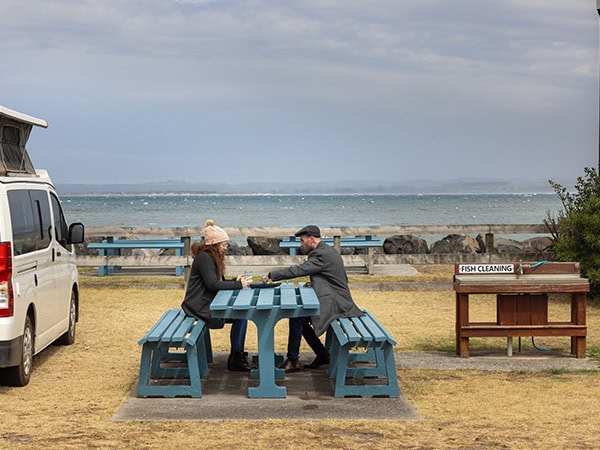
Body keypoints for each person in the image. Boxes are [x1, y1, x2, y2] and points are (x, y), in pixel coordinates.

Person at [265, 225, 364, 372]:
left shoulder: (320, 254)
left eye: (302, 241)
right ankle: (321, 354)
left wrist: (272, 275)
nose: (301, 244)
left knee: (298, 318)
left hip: (338, 304)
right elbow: (330, 276)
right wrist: (316, 283)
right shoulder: (327, 250)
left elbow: (299, 270)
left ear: (312, 239)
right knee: (299, 318)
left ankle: (293, 360)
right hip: (338, 298)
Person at [181, 219, 252, 372]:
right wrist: (238, 285)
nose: (226, 248)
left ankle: (236, 355)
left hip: (201, 304)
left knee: (241, 315)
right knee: (241, 316)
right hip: (199, 308)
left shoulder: (208, 257)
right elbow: (212, 284)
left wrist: (235, 281)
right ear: (214, 245)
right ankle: (236, 357)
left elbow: (218, 281)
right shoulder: (205, 258)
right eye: (224, 245)